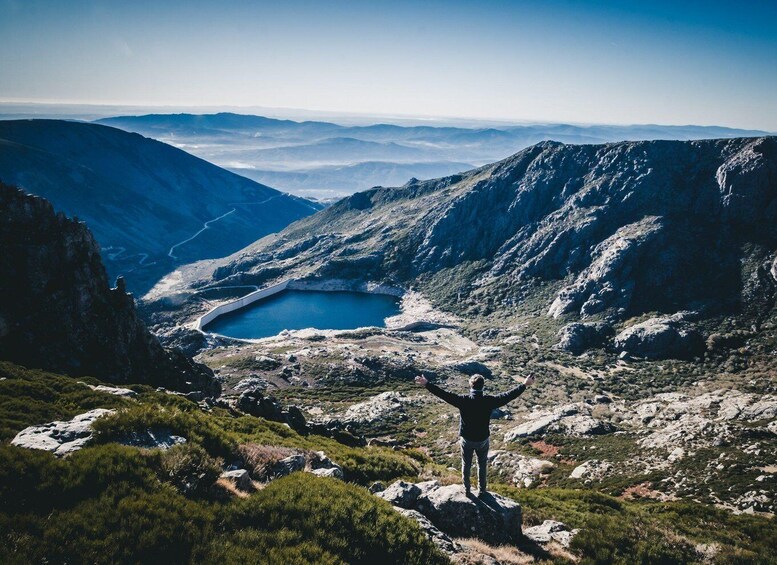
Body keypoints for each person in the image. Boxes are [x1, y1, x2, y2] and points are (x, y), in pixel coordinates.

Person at [414, 372, 536, 497]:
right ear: (483, 386)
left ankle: (467, 489)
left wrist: (427, 384)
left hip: (467, 439)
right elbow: (508, 396)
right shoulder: (489, 401)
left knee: (466, 464)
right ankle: (482, 490)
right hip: (482, 439)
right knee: (482, 465)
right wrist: (524, 385)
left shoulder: (463, 400)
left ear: (470, 385)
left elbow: (444, 394)